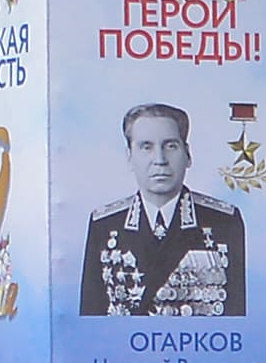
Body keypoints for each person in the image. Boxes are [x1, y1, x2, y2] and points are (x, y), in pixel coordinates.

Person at [77, 101, 250, 315]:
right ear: (129, 157)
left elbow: (237, 318)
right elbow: (91, 322)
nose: (159, 160)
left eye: (170, 146)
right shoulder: (104, 225)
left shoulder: (223, 222)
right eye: (146, 147)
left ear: (187, 155)